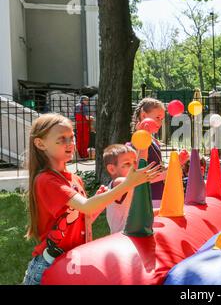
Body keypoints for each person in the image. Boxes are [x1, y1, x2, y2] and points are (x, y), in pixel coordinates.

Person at [22, 113, 161, 285]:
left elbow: (84, 216)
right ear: (40, 143)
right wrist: (126, 185)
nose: (70, 143)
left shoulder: (75, 179)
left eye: (72, 138)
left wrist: (100, 201)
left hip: (73, 261)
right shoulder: (46, 180)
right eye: (62, 139)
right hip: (48, 267)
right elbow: (86, 207)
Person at [131, 98, 190, 208]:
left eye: (162, 119)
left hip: (158, 197)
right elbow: (140, 178)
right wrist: (170, 171)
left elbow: (157, 169)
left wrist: (177, 162)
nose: (160, 122)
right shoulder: (137, 143)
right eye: (157, 117)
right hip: (148, 200)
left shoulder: (153, 141)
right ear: (144, 116)